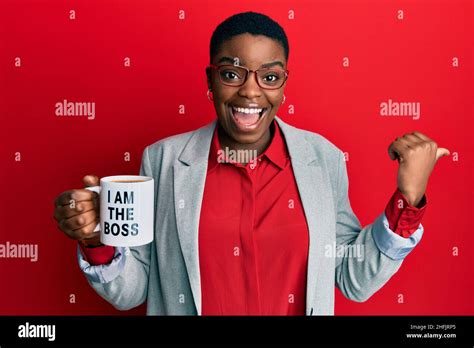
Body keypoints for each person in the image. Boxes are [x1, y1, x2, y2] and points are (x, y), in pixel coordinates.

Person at [53, 12, 449, 315]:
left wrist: (407, 200)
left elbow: (349, 277)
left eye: (269, 77)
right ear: (210, 80)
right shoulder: (164, 160)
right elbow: (134, 289)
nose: (250, 90)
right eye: (231, 73)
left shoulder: (322, 159)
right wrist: (95, 241)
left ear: (283, 84)